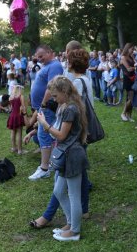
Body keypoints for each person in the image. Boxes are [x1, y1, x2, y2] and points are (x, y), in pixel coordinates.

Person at [36, 76, 89, 241]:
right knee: (58, 191)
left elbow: (61, 136)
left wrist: (45, 124)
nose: (54, 99)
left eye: (55, 96)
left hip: (72, 155)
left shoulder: (70, 109)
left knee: (73, 194)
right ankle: (71, 222)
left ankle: (75, 231)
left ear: (65, 92)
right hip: (66, 155)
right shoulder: (65, 106)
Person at [28, 44, 64, 180]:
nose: (39, 59)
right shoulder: (48, 65)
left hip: (47, 107)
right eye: (37, 57)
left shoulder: (55, 66)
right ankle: (48, 164)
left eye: (41, 56)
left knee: (44, 134)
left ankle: (45, 168)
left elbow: (52, 86)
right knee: (43, 134)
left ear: (49, 52)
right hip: (43, 107)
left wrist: (43, 104)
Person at [7, 85, 26, 155]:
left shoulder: (11, 97)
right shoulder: (21, 96)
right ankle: (20, 150)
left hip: (12, 116)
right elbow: (23, 107)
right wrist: (25, 114)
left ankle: (13, 147)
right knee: (19, 133)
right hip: (18, 116)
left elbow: (11, 108)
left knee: (13, 132)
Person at [119, 42, 136, 122]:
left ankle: (129, 115)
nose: (133, 50)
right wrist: (136, 67)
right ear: (127, 48)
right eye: (132, 49)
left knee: (130, 98)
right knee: (131, 98)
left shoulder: (130, 56)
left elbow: (133, 66)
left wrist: (135, 66)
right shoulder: (123, 57)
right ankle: (123, 113)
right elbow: (128, 69)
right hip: (128, 79)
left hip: (133, 78)